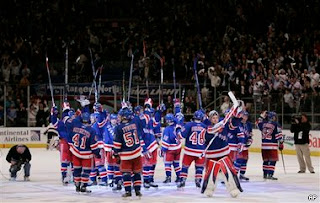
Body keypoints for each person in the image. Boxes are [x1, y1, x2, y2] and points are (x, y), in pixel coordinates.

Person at [256, 111, 283, 180]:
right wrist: (281, 143)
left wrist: (261, 116)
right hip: (272, 145)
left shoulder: (263, 124)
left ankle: (265, 174)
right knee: (273, 160)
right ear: (273, 117)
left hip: (264, 145)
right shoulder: (276, 124)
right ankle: (270, 174)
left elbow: (257, 123)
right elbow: (279, 134)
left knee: (266, 160)